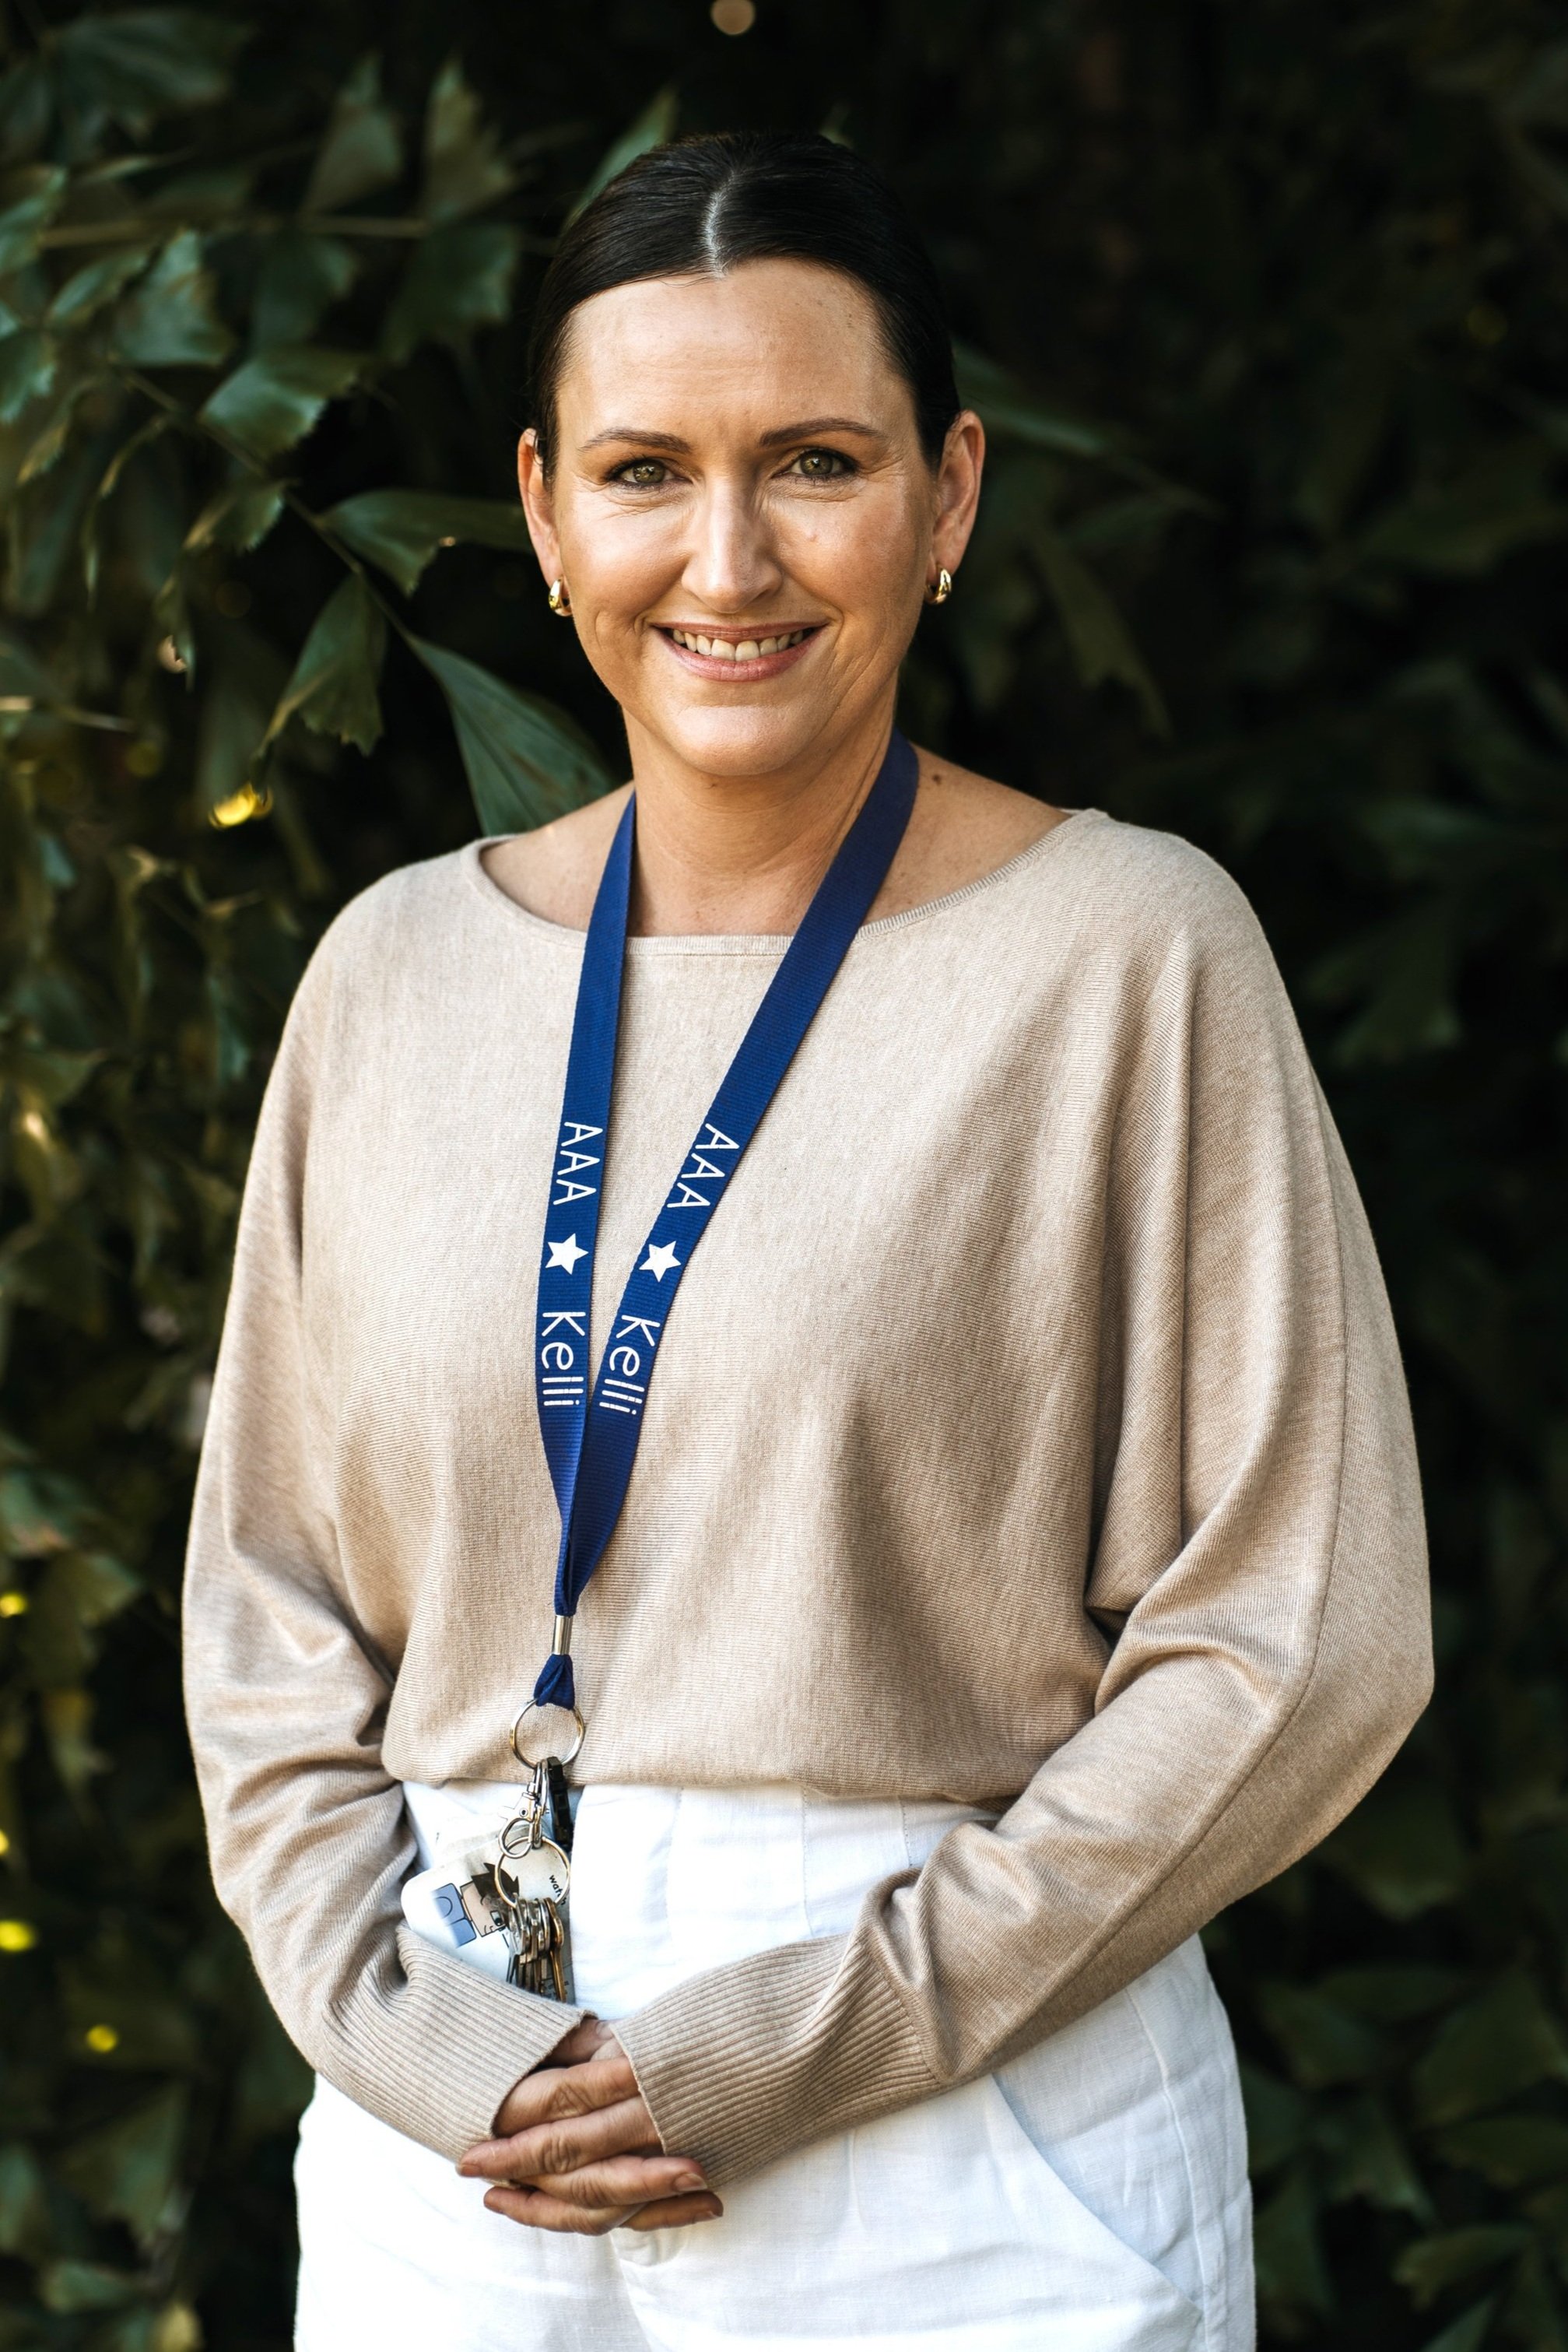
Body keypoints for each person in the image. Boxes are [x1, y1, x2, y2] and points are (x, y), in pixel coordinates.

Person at [183, 131, 1432, 2352]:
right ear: (548, 508)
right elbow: (265, 1613)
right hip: (451, 2123)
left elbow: (1299, 1634)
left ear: (947, 498)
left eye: (817, 462)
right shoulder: (392, 977)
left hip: (960, 2135)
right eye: (647, 468)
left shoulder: (1126, 957)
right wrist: (412, 2032)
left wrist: (826, 2029)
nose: (728, 556)